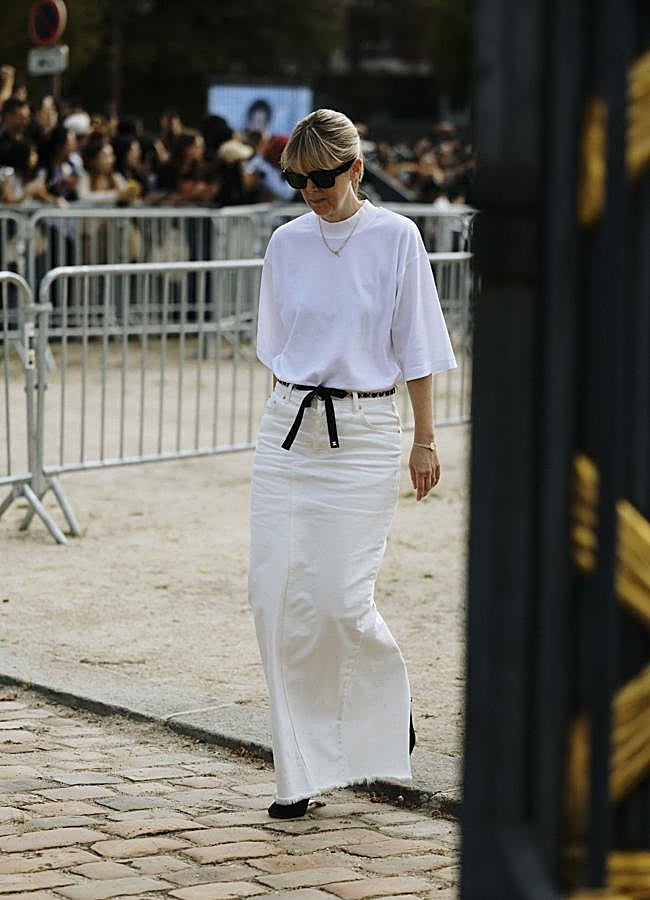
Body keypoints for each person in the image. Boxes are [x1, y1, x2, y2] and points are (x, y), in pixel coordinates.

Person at [248, 108, 457, 819]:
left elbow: (421, 345)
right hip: (287, 432)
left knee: (338, 601)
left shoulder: (397, 238)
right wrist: (279, 418)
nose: (311, 189)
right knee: (273, 598)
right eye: (299, 179)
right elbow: (275, 343)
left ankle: (384, 702)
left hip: (365, 431)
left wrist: (423, 438)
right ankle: (296, 774)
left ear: (356, 168)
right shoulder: (285, 242)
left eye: (324, 177)